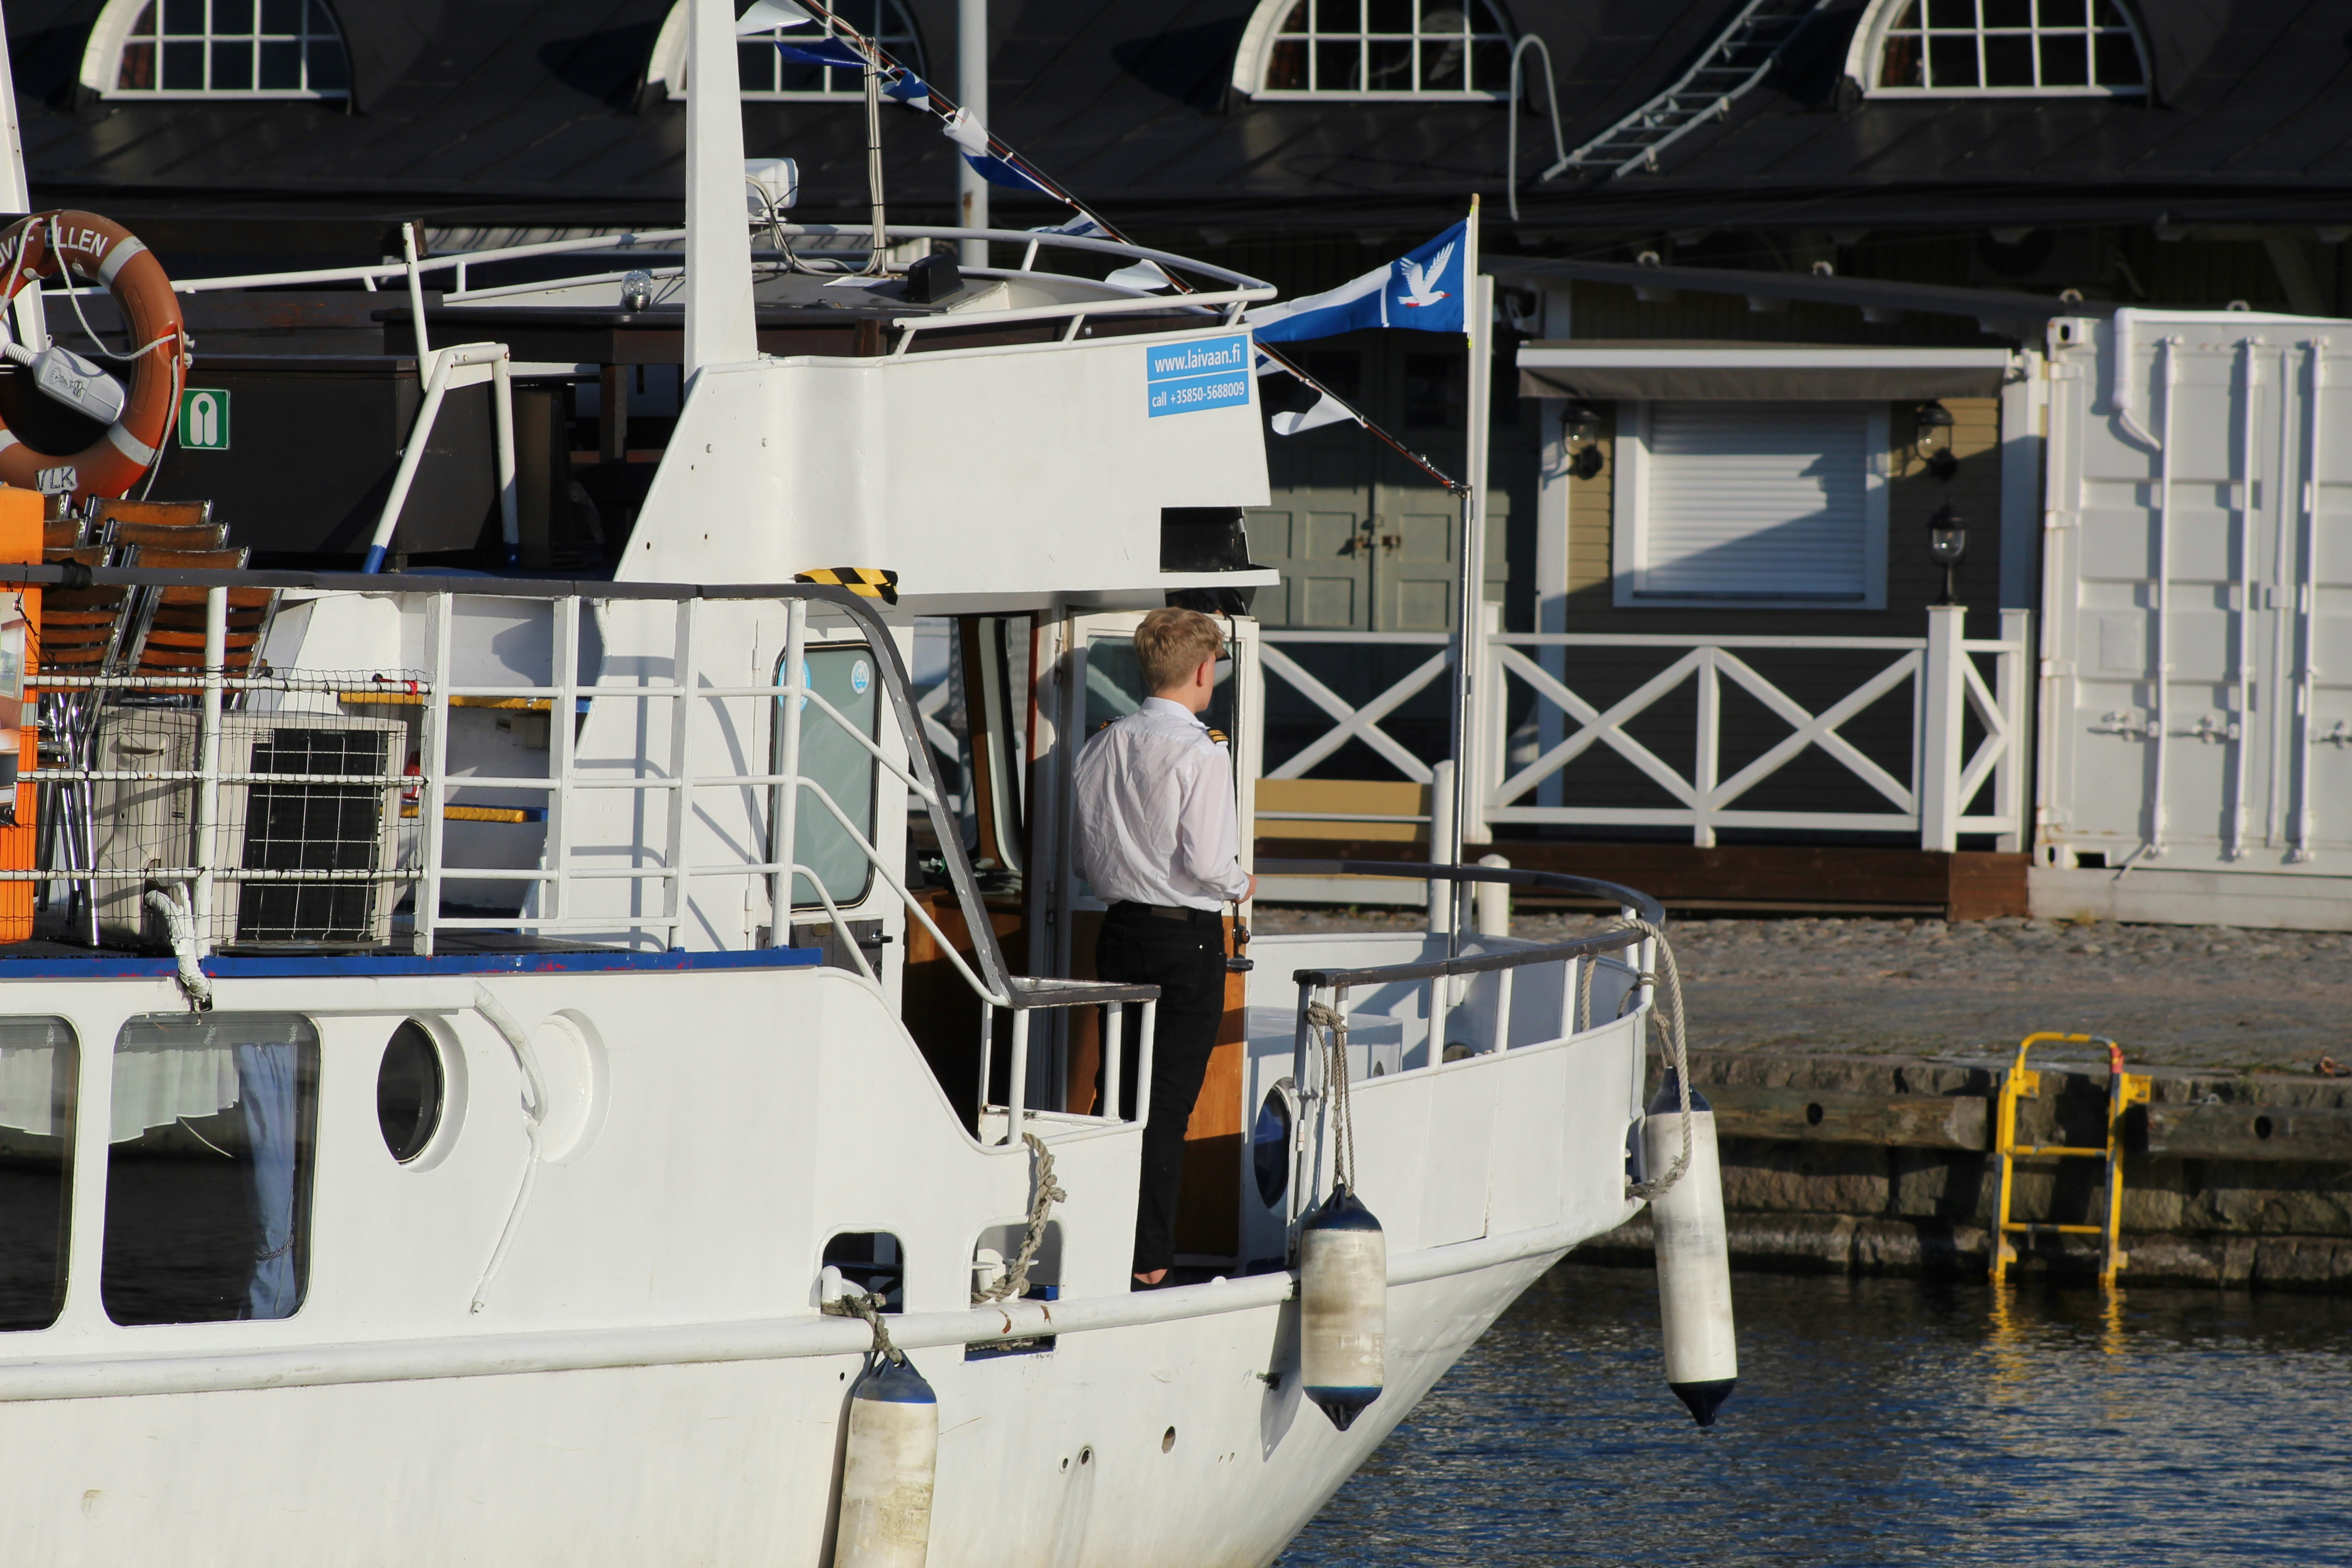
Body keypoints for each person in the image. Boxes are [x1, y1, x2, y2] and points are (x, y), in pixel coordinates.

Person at [1072, 607, 1255, 1288]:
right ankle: (1147, 1263)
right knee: (1166, 1106)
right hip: (1185, 939)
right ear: (1205, 671)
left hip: (1119, 930)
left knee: (1115, 1097)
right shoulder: (1202, 750)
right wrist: (1242, 882)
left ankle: (1096, 1240)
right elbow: (1210, 864)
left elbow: (1085, 852)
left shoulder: (1104, 742)